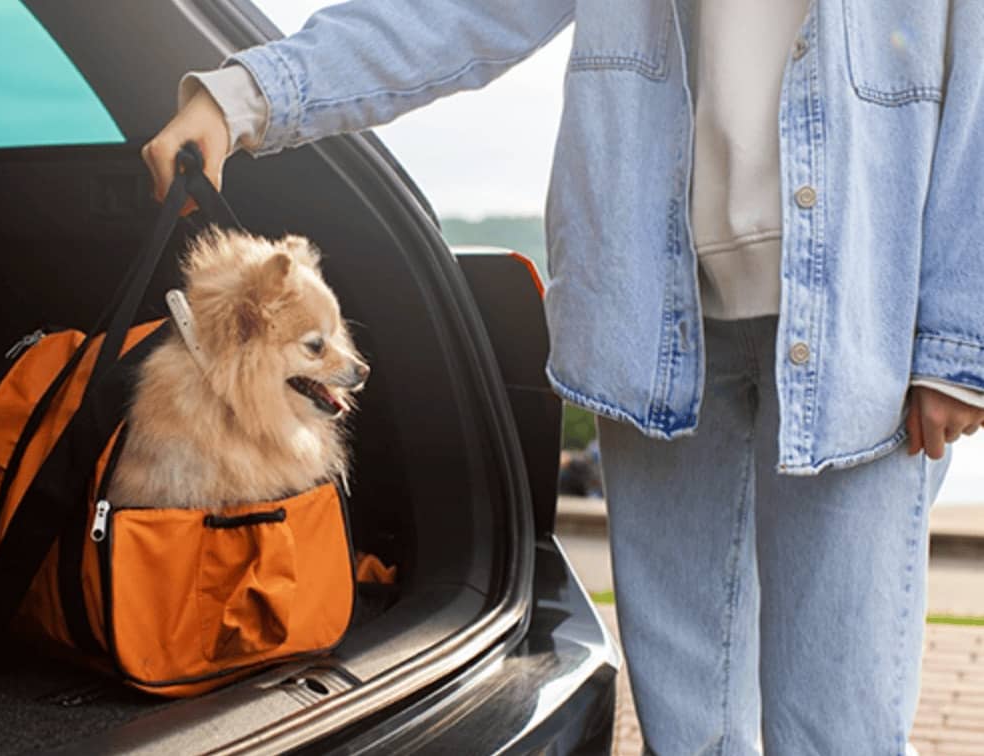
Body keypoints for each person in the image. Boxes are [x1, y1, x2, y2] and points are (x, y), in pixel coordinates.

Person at [143, 2, 984, 752]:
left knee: (839, 729)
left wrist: (957, 343)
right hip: (659, 326)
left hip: (861, 329)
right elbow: (454, 12)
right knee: (687, 728)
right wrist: (245, 95)